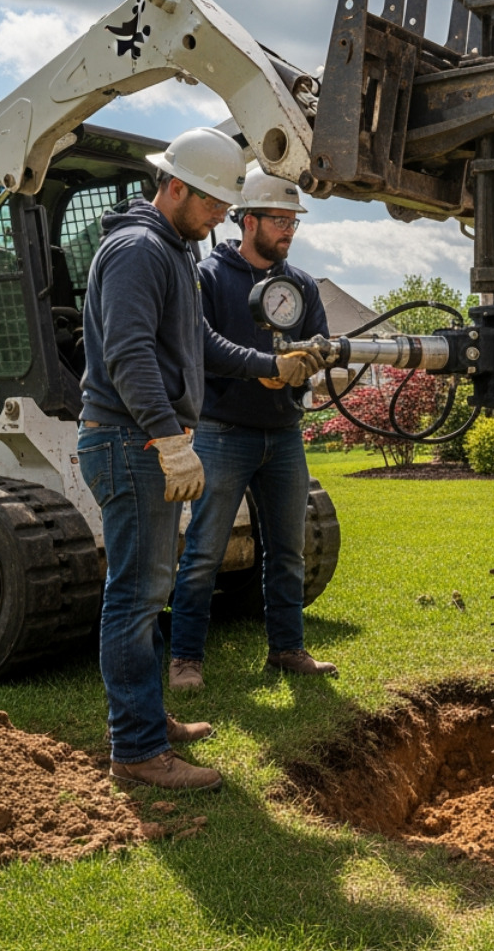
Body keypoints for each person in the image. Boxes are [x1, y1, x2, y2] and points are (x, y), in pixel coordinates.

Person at [78, 128, 318, 790]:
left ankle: (145, 720)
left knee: (144, 591)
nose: (222, 215)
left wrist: (269, 364)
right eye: (214, 201)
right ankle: (136, 751)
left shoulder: (172, 251)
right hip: (131, 442)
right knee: (133, 599)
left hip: (141, 441)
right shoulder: (137, 251)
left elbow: (200, 341)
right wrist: (169, 438)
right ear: (176, 187)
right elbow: (129, 355)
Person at [167, 170, 334, 692]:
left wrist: (315, 360)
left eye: (293, 223)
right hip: (223, 432)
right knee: (204, 552)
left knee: (287, 551)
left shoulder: (301, 283)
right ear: (249, 220)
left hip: (283, 434)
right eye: (280, 221)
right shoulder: (210, 277)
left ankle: (287, 649)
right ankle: (185, 660)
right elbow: (201, 346)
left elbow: (320, 342)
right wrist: (264, 364)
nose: (288, 231)